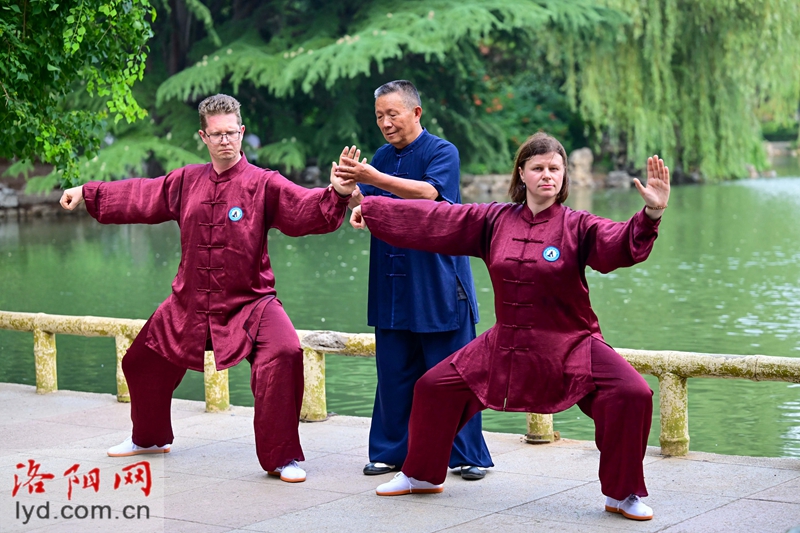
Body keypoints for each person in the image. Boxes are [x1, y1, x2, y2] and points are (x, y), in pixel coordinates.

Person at [350, 132, 670, 521]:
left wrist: (650, 215)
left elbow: (617, 242)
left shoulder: (578, 226)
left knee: (633, 393)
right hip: (506, 342)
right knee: (433, 388)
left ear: (564, 175)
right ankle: (420, 475)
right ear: (522, 173)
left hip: (571, 342)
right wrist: (373, 209)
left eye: (555, 168)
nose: (546, 176)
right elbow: (437, 219)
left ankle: (624, 494)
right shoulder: (493, 220)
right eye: (538, 168)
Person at [59, 94, 356, 483]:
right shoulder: (185, 181)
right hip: (189, 302)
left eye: (231, 132)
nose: (225, 141)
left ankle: (282, 458)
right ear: (204, 136)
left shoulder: (263, 183)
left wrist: (335, 193)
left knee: (283, 352)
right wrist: (88, 192)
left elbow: (304, 210)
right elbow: (142, 195)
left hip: (251, 302)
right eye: (216, 134)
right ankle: (149, 439)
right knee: (140, 362)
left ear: (242, 131)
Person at [333, 80, 493, 479]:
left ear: (415, 113)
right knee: (393, 369)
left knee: (451, 371)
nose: (386, 124)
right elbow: (367, 202)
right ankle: (391, 451)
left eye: (393, 114)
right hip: (391, 278)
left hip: (437, 278)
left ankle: (467, 454)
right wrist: (352, 193)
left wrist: (373, 177)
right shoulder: (382, 157)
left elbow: (428, 194)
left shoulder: (442, 151)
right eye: (379, 117)